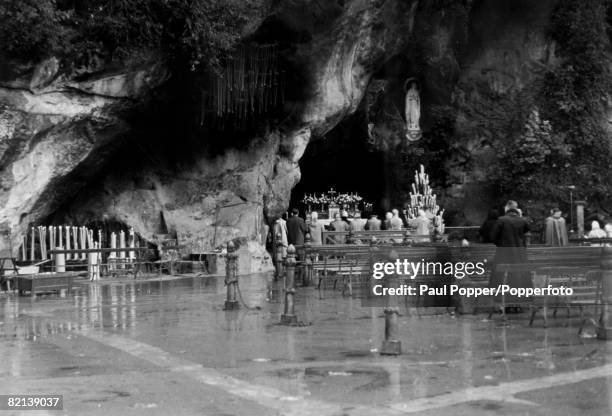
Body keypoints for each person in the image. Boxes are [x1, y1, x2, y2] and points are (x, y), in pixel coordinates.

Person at [490, 200, 531, 303]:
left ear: (507, 208)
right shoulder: (522, 220)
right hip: (520, 253)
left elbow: (493, 236)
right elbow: (527, 230)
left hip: (503, 253)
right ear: (516, 209)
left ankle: (503, 300)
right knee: (520, 275)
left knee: (502, 276)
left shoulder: (501, 220)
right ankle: (520, 300)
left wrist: (501, 244)